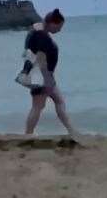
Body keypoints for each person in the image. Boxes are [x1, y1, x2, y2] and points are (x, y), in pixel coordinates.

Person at [21, 9, 78, 137]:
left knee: (59, 101)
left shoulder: (37, 31)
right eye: (59, 26)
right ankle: (28, 135)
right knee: (38, 106)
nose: (60, 30)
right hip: (40, 76)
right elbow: (40, 58)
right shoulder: (41, 36)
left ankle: (71, 131)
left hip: (43, 76)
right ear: (52, 23)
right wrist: (46, 79)